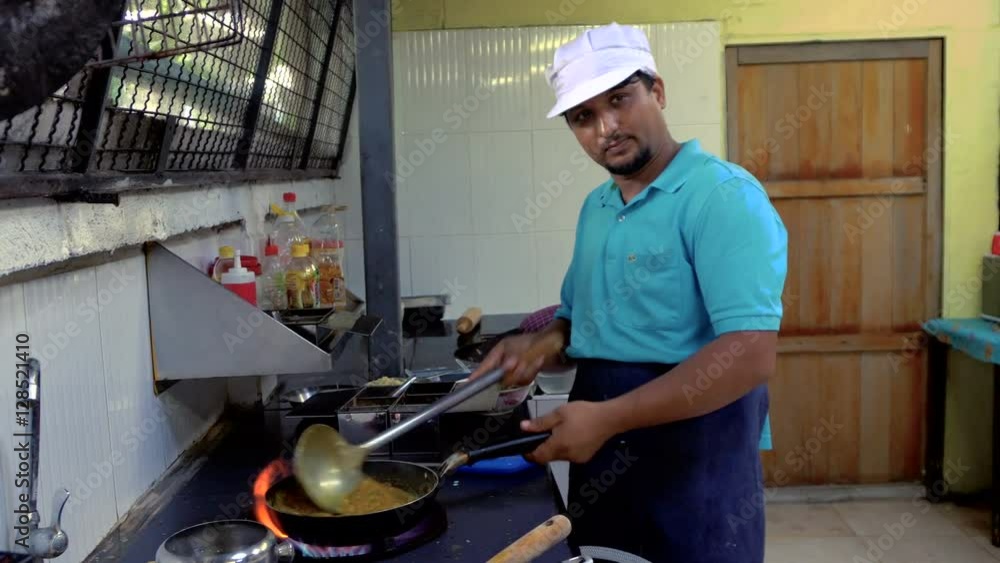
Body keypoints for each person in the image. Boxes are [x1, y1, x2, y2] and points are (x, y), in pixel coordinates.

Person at [468, 22, 788, 563]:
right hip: (604, 452)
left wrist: (609, 417)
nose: (606, 127)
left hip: (696, 458)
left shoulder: (722, 197)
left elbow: (749, 353)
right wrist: (543, 344)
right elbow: (579, 319)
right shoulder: (597, 208)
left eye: (620, 100)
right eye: (583, 116)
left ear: (657, 92)